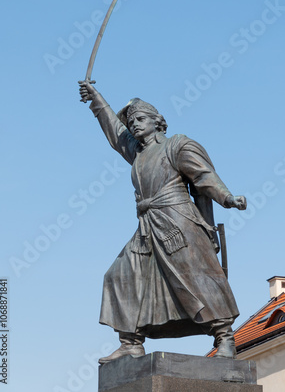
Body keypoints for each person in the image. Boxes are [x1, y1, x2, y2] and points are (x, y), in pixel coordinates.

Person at [79, 81, 247, 363]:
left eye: (141, 119)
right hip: (147, 226)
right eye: (131, 121)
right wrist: (95, 99)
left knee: (197, 278)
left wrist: (227, 198)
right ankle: (131, 342)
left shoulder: (177, 145)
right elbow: (115, 131)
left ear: (158, 122)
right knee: (119, 275)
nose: (134, 125)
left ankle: (225, 339)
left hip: (179, 221)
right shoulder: (138, 154)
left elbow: (204, 178)